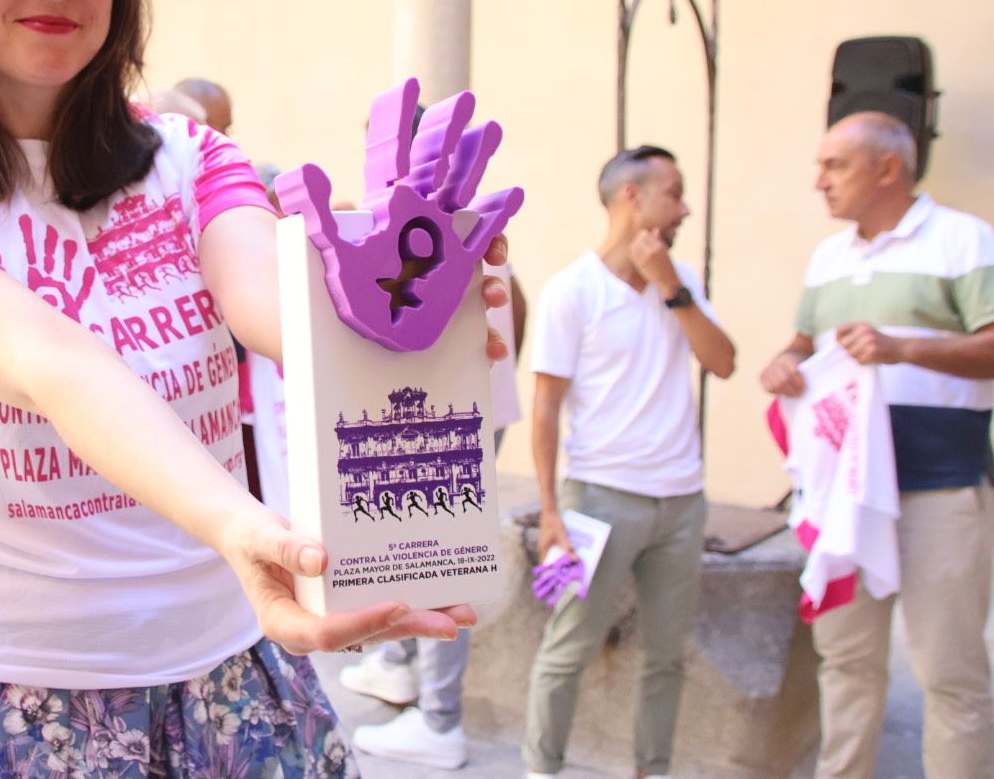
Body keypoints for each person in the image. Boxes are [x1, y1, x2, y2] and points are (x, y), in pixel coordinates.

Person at [0, 0, 510, 779]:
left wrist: (389, 294)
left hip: (224, 669)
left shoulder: (190, 158)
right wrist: (241, 525)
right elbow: (56, 366)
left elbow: (263, 305)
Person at [759, 111, 994, 778]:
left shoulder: (966, 242)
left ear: (887, 168)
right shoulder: (828, 257)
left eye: (834, 165)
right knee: (846, 663)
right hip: (846, 498)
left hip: (938, 485)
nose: (818, 182)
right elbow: (803, 345)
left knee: (950, 674)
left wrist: (903, 347)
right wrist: (784, 362)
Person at [522, 145, 735, 779]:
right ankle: (541, 770)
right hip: (599, 502)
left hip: (681, 504)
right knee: (569, 649)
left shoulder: (683, 282)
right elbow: (544, 408)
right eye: (674, 192)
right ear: (632, 198)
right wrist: (554, 512)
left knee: (667, 656)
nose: (685, 206)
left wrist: (671, 286)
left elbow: (723, 362)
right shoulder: (572, 291)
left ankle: (653, 769)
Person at [340, 267, 527, 770]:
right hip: (478, 400)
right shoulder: (465, 216)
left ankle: (441, 720)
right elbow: (516, 295)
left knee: (436, 549)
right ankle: (402, 663)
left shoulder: (420, 209)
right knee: (424, 536)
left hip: (442, 405)